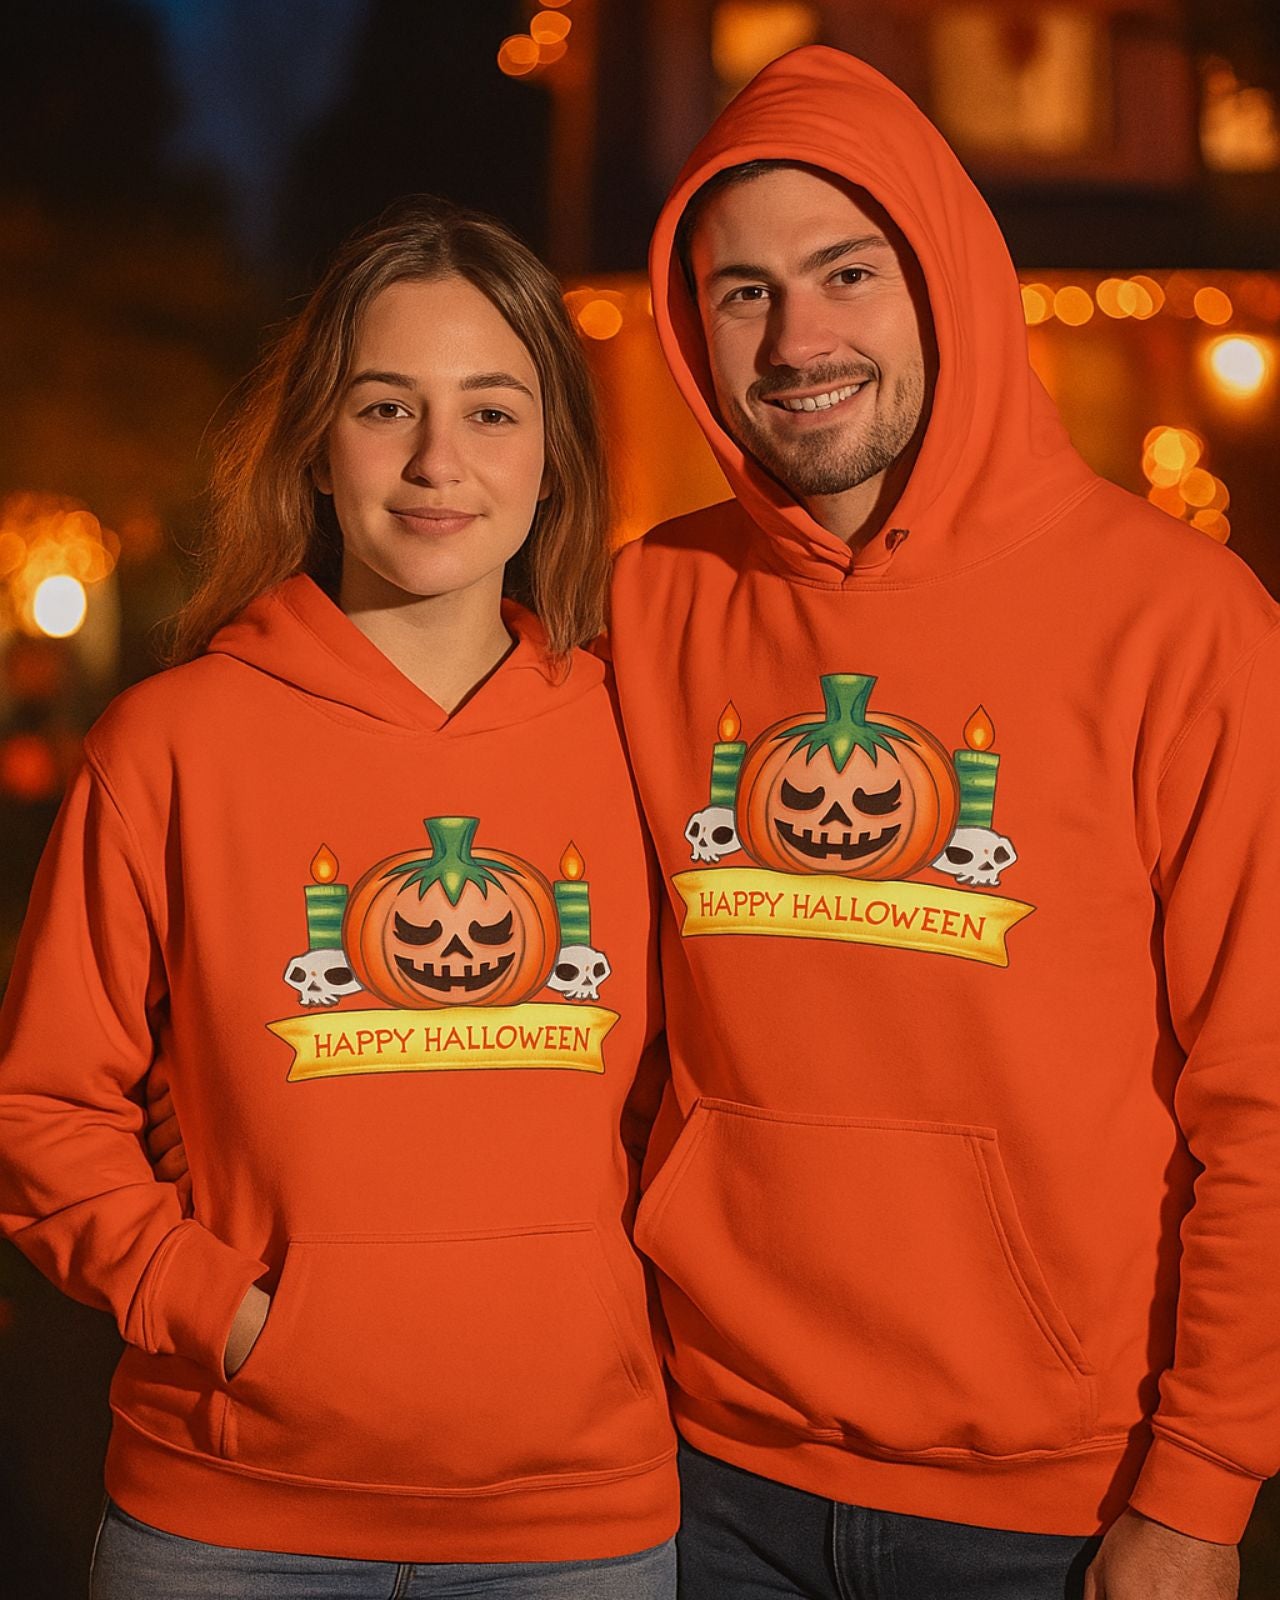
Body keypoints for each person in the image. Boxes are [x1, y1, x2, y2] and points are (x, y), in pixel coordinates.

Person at [606, 45, 1279, 1600]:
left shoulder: (1181, 625)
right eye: (743, 290)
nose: (798, 338)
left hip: (1060, 1502)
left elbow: (1260, 1091)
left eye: (849, 271)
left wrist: (1200, 1494)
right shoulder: (649, 605)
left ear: (950, 282)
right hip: (699, 1472)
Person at [0, 198, 679, 1597]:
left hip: (578, 1519)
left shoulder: (638, 740)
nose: (439, 462)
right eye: (387, 407)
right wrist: (227, 1317)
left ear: (555, 457)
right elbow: (42, 1111)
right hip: (230, 1516)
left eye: (492, 413)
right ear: (318, 441)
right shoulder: (169, 746)